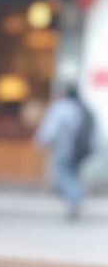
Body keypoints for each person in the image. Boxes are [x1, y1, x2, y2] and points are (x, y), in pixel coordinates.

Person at [34, 82, 97, 221]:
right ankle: (75, 198)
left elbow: (50, 128)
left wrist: (40, 142)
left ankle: (75, 198)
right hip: (80, 151)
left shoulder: (61, 108)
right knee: (72, 175)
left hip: (64, 149)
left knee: (65, 176)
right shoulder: (83, 108)